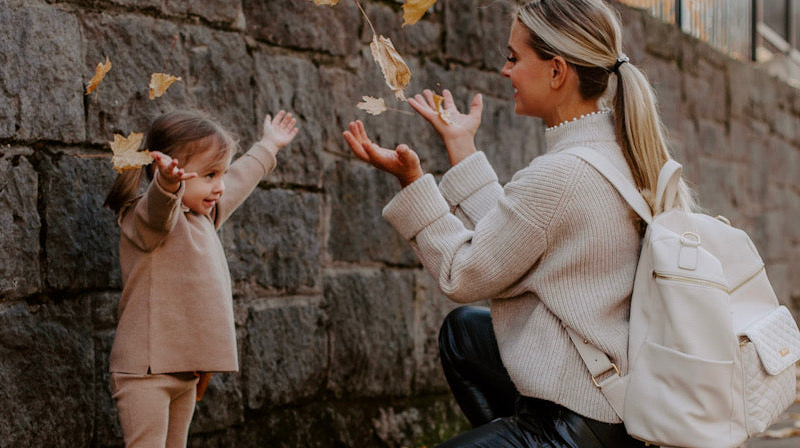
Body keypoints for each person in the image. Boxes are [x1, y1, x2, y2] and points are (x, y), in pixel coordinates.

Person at [343, 0, 696, 446]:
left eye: (514, 57)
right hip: (616, 398)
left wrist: (412, 182)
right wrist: (461, 146)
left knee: (464, 318)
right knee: (464, 333)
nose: (505, 70)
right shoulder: (615, 148)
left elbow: (464, 271)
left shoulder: (562, 174)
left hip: (578, 420)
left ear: (556, 71)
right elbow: (516, 236)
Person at [103, 109, 298, 447]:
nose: (219, 186)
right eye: (209, 175)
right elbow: (159, 209)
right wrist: (167, 183)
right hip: (145, 373)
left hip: (185, 372)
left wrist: (268, 146)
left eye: (220, 174)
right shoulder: (143, 218)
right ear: (172, 170)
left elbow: (239, 180)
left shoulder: (203, 217)